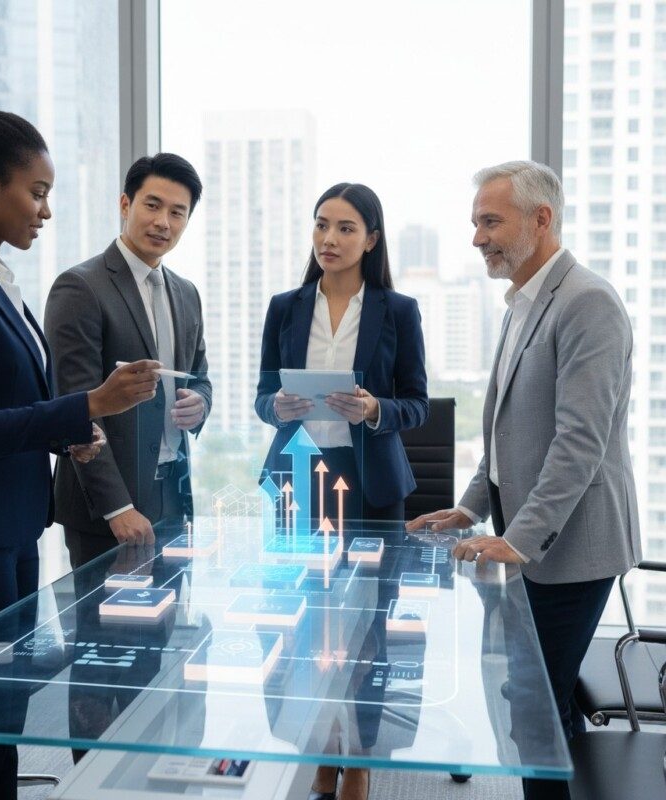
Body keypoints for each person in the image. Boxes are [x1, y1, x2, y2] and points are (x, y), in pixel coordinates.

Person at [0, 94, 161, 800]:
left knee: (3, 713)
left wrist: (73, 433)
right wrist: (89, 403)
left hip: (4, 524)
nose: (45, 211)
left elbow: (11, 408)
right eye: (36, 192)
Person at [407, 160, 642, 800]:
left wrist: (518, 540)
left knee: (535, 705)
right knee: (537, 701)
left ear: (540, 219)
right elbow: (510, 433)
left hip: (573, 547)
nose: (477, 237)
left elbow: (579, 444)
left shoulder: (588, 303)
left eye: (491, 221)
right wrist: (471, 508)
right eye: (475, 222)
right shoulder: (521, 305)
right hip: (530, 538)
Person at [255, 182, 428, 800]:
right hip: (300, 480)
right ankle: (318, 749)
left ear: (371, 239)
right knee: (304, 626)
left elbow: (416, 403)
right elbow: (260, 397)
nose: (330, 239)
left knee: (367, 631)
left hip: (370, 485)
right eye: (321, 225)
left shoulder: (397, 310)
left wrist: (375, 408)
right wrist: (276, 405)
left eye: (346, 228)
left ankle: (359, 757)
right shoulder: (284, 306)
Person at [44, 153, 211, 570]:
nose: (164, 223)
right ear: (125, 205)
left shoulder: (186, 292)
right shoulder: (80, 286)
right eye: (152, 205)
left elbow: (200, 375)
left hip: (174, 494)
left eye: (178, 213)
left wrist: (201, 402)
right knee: (108, 633)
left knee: (167, 628)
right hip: (108, 505)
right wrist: (117, 507)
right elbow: (75, 404)